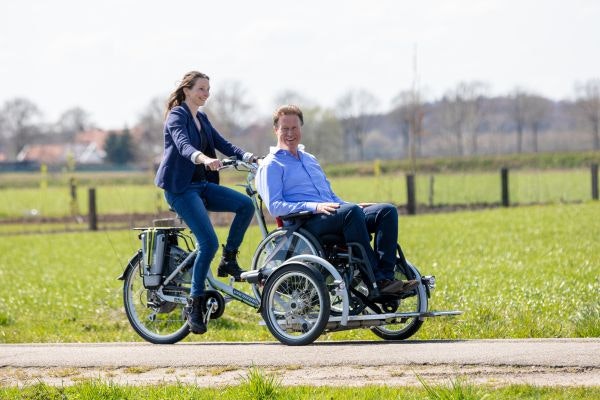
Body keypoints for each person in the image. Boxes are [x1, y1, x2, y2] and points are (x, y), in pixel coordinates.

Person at [256, 104, 418, 299]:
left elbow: (330, 197)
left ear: (301, 129)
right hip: (305, 223)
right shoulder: (271, 164)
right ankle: (376, 281)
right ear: (276, 130)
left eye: (294, 128)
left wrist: (351, 205)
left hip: (332, 214)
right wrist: (314, 207)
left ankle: (386, 277)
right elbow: (275, 206)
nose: (290, 133)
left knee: (386, 211)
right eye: (285, 129)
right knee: (351, 213)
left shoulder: (310, 159)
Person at [155, 71, 257, 334]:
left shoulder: (201, 117)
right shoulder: (176, 116)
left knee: (246, 205)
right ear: (187, 90)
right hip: (180, 188)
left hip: (201, 185)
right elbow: (183, 145)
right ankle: (195, 303)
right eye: (201, 89)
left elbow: (221, 142)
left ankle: (229, 259)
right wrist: (203, 159)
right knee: (208, 242)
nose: (206, 94)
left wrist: (246, 155)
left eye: (208, 89)